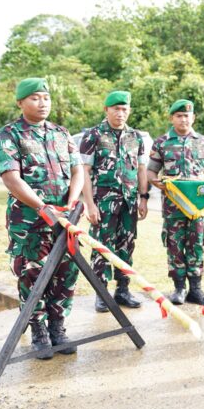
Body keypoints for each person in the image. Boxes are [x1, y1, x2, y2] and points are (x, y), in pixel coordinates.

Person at [0, 78, 84, 359]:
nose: (42, 103)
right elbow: (12, 179)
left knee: (65, 272)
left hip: (64, 219)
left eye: (46, 97)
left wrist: (71, 200)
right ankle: (39, 332)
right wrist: (43, 206)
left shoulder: (61, 133)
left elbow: (78, 169)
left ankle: (58, 328)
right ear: (20, 102)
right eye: (34, 98)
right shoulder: (10, 135)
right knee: (32, 274)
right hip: (30, 221)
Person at [146, 99, 204, 306]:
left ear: (193, 118)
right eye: (179, 116)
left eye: (187, 116)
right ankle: (179, 288)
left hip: (197, 207)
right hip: (173, 205)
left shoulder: (203, 141)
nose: (183, 119)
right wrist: (157, 184)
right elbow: (151, 171)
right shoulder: (162, 142)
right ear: (172, 118)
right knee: (175, 244)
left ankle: (196, 289)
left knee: (197, 244)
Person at [79, 91, 149, 312]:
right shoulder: (93, 135)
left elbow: (141, 169)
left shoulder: (136, 137)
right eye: (116, 109)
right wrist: (89, 204)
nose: (120, 113)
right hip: (103, 204)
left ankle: (123, 290)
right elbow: (85, 171)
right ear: (106, 110)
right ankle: (101, 293)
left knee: (126, 246)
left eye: (124, 109)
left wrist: (144, 198)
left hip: (129, 202)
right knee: (101, 247)